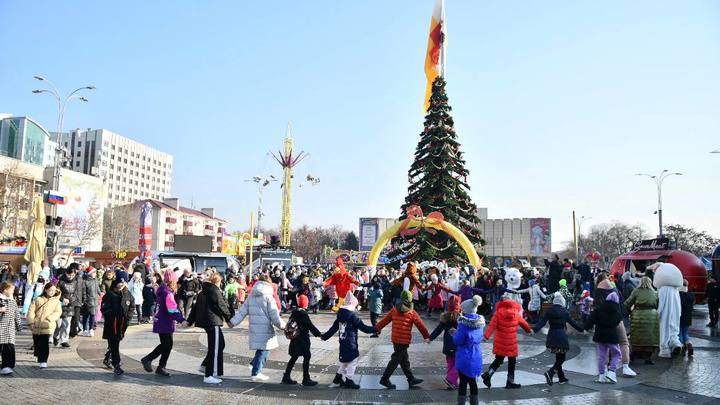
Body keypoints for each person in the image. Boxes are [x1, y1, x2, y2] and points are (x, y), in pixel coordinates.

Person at [229, 274, 284, 382]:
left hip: (255, 328)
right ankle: (256, 373)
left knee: (262, 349)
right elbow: (274, 315)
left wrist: (233, 322)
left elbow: (242, 312)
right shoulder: (269, 297)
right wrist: (283, 326)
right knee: (264, 350)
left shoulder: (251, 296)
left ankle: (253, 365)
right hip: (265, 328)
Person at [375, 289, 430, 389]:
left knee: (404, 360)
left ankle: (411, 379)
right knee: (395, 360)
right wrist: (426, 336)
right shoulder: (411, 312)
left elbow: (385, 320)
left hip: (396, 339)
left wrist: (377, 328)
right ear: (410, 299)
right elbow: (420, 325)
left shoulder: (394, 309)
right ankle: (384, 379)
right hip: (404, 340)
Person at [321, 291, 376, 389]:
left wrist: (325, 336)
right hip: (351, 343)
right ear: (352, 305)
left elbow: (333, 329)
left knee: (345, 361)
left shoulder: (340, 315)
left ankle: (337, 378)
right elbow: (364, 328)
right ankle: (349, 380)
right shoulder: (352, 316)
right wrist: (375, 329)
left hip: (343, 341)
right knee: (353, 360)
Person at [186, 272, 233, 384]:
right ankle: (209, 375)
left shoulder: (203, 291)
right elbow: (222, 306)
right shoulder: (215, 290)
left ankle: (204, 366)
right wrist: (229, 319)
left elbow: (195, 308)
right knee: (215, 348)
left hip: (207, 322)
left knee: (220, 344)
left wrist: (189, 321)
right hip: (213, 322)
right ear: (218, 281)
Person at [481, 294, 532, 389]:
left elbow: (492, 326)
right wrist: (529, 330)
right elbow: (523, 323)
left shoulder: (498, 312)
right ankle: (510, 382)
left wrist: (486, 336)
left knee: (498, 360)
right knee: (512, 362)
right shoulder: (516, 312)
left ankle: (488, 374)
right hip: (511, 343)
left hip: (500, 342)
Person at [141, 269, 185, 377]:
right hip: (164, 321)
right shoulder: (167, 293)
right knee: (166, 344)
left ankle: (161, 366)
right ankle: (148, 359)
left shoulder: (163, 290)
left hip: (162, 320)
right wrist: (182, 320)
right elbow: (172, 309)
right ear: (172, 281)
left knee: (168, 344)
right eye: (176, 281)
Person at [533, 293, 584, 385]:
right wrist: (582, 329)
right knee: (562, 358)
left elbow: (542, 322)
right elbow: (573, 323)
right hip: (561, 336)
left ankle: (561, 377)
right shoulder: (565, 312)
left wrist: (534, 329)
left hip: (552, 335)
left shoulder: (549, 311)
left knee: (558, 357)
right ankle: (551, 372)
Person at [282, 294, 321, 386]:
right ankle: (306, 378)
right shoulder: (303, 314)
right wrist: (319, 334)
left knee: (294, 357)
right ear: (305, 304)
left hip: (295, 339)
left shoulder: (294, 312)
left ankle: (286, 376)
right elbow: (310, 325)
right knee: (307, 356)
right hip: (302, 339)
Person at [453, 296, 485, 405]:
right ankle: (474, 402)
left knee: (463, 382)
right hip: (476, 355)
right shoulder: (480, 323)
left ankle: (461, 403)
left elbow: (458, 341)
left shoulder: (463, 324)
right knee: (473, 382)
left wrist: (454, 334)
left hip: (465, 356)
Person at [584, 291, 622, 383]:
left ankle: (601, 376)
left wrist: (585, 328)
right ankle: (611, 371)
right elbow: (617, 322)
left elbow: (591, 320)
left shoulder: (599, 309)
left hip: (600, 335)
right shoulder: (617, 312)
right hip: (612, 336)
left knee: (602, 356)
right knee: (617, 354)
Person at [101, 279, 134, 375]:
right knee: (114, 344)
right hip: (112, 324)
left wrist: (128, 317)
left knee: (115, 343)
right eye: (119, 285)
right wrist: (113, 314)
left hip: (123, 324)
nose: (121, 286)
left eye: (122, 284)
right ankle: (117, 364)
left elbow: (132, 305)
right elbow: (104, 309)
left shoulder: (127, 294)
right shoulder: (109, 295)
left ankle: (108, 358)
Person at [429, 295, 463, 389]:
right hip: (457, 346)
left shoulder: (445, 318)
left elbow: (438, 330)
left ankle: (452, 383)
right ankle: (451, 379)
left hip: (448, 346)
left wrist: (430, 338)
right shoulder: (461, 319)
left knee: (450, 364)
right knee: (459, 364)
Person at [623, 276, 659, 365]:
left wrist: (628, 311)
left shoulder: (636, 291)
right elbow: (657, 304)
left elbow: (628, 303)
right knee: (650, 336)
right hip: (652, 316)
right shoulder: (654, 292)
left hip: (637, 316)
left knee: (637, 336)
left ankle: (633, 355)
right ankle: (648, 357)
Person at [27, 283, 62, 368]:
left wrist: (50, 318)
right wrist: (31, 322)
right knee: (37, 342)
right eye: (50, 290)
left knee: (44, 343)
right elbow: (31, 311)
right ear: (45, 290)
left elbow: (58, 312)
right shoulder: (38, 299)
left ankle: (43, 361)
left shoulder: (56, 301)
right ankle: (38, 355)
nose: (52, 292)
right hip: (36, 325)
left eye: (53, 290)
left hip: (47, 325)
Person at [55, 266, 82, 347]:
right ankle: (55, 336)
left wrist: (71, 300)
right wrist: (62, 298)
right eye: (69, 275)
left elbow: (77, 293)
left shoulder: (76, 282)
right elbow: (55, 292)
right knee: (58, 324)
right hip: (59, 305)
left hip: (70, 305)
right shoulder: (60, 281)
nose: (71, 277)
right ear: (66, 273)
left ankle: (64, 340)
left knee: (67, 324)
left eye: (73, 275)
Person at [0, 282, 21, 374]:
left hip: (10, 330)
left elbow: (17, 314)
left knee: (9, 348)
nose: (13, 291)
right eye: (11, 289)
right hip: (1, 328)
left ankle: (7, 366)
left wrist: (19, 326)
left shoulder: (13, 301)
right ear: (5, 290)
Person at [81, 268, 101, 337]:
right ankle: (84, 330)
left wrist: (100, 294)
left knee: (93, 315)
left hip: (94, 301)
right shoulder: (84, 281)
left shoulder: (95, 280)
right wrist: (85, 300)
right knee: (85, 316)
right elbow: (83, 292)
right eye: (94, 272)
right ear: (90, 273)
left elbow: (98, 289)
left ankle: (91, 329)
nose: (95, 274)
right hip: (87, 301)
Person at [679, 279, 694, 356]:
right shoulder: (691, 295)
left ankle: (682, 347)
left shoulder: (678, 295)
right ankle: (689, 344)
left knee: (680, 333)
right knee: (685, 333)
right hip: (688, 317)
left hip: (680, 316)